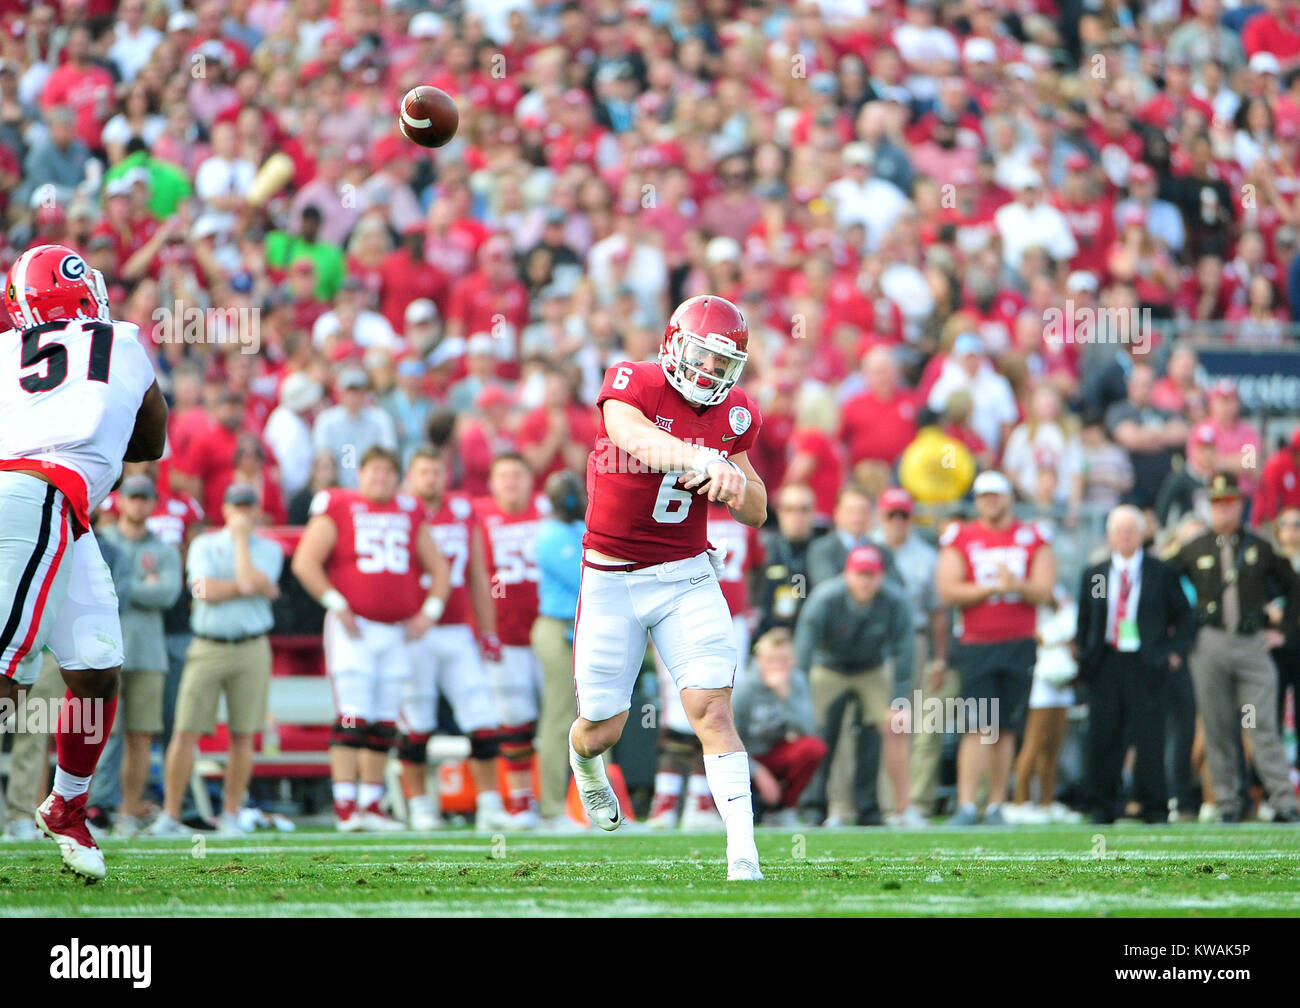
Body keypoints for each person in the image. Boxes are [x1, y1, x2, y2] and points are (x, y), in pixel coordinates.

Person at [568, 294, 768, 881]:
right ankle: (584, 766)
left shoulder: (735, 414)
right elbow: (634, 437)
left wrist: (738, 485)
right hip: (611, 576)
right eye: (700, 357)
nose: (708, 374)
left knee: (711, 709)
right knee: (602, 727)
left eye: (721, 364)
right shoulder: (633, 382)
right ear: (673, 345)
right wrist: (703, 461)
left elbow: (757, 509)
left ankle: (743, 855)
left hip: (685, 572)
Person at [0, 244, 167, 882]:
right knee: (8, 682)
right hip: (37, 496)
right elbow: (149, 441)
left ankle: (66, 804)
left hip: (59, 509)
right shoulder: (121, 340)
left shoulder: (8, 352)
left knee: (96, 666)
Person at [291, 447, 451, 832]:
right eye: (373, 470)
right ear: (360, 474)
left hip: (396, 631)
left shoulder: (410, 511)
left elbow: (440, 569)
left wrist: (428, 613)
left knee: (382, 720)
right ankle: (346, 804)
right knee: (353, 716)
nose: (380, 478)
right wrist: (336, 603)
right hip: (354, 628)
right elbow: (305, 561)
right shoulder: (341, 505)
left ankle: (371, 804)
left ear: (396, 478)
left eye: (387, 471)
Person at [149, 484, 283, 837]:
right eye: (236, 505)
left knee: (243, 734)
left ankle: (231, 812)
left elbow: (246, 581)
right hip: (208, 644)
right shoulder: (204, 544)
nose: (242, 513)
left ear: (257, 510)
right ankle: (171, 814)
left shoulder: (268, 548)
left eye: (248, 505)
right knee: (185, 729)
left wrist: (241, 546)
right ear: (224, 509)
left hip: (251, 645)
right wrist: (249, 585)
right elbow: (201, 590)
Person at [1170, 472, 1300, 823]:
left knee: (1261, 724)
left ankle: (1283, 801)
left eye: (1228, 503)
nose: (1222, 510)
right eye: (1216, 504)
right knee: (1217, 724)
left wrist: (1284, 630)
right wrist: (1178, 632)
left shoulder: (1260, 546)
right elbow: (1163, 583)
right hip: (1209, 642)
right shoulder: (1195, 547)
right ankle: (1227, 802)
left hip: (1252, 642)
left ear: (1240, 505)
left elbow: (1294, 584)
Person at [398, 445, 512, 832]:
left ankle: (489, 804)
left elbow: (479, 575)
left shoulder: (463, 510)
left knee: (482, 718)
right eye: (423, 472)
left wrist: (489, 631)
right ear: (410, 476)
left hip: (456, 630)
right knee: (417, 722)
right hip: (414, 632)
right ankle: (418, 806)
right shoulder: (398, 512)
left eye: (437, 471)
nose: (431, 479)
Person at [936, 470, 1057, 826]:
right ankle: (967, 803)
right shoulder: (962, 537)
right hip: (977, 643)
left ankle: (997, 804)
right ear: (976, 501)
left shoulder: (1033, 536)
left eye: (996, 495)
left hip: (1019, 641)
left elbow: (1045, 589)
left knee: (1005, 727)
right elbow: (948, 589)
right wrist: (990, 589)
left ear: (1009, 498)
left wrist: (1015, 584)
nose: (991, 501)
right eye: (984, 496)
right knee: (977, 725)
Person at [1075, 506, 1195, 824]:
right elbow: (1086, 619)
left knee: (1150, 736)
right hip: (1107, 660)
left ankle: (1154, 805)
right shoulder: (1097, 574)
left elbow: (1184, 616)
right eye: (1119, 530)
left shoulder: (1161, 572)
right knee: (1105, 734)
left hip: (1147, 661)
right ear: (1110, 536)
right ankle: (1102, 804)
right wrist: (1087, 656)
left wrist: (1172, 651)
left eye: (1131, 530)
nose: (1125, 536)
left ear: (1142, 534)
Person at [795, 545, 918, 827]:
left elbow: (904, 654)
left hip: (870, 668)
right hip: (829, 667)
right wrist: (798, 696)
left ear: (881, 577)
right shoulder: (825, 598)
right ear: (847, 574)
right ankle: (814, 806)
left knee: (878, 732)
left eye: (871, 575)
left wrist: (897, 702)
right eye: (859, 574)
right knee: (820, 732)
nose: (865, 581)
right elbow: (803, 653)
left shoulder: (895, 601)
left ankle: (870, 808)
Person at [95, 474, 182, 836]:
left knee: (140, 736)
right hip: (104, 650)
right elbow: (96, 588)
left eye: (144, 497)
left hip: (147, 653)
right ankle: (97, 810)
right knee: (102, 734)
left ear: (152, 503)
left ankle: (128, 813)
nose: (138, 503)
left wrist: (121, 586)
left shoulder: (163, 548)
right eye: (132, 496)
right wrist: (139, 587)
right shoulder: (101, 542)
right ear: (122, 500)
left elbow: (169, 594)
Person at [475, 453, 545, 826]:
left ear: (530, 481)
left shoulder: (547, 511)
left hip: (548, 629)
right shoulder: (479, 517)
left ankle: (559, 800)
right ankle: (520, 801)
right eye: (503, 475)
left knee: (561, 719)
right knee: (514, 719)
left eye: (518, 474)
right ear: (491, 482)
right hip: (504, 633)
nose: (511, 482)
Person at [873, 487, 951, 819]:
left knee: (920, 724)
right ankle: (881, 803)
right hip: (876, 644)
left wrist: (939, 657)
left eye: (903, 516)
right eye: (891, 515)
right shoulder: (867, 551)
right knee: (879, 724)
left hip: (915, 641)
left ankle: (916, 802)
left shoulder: (926, 556)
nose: (897, 522)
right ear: (882, 516)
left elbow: (937, 612)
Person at [531, 469, 585, 828]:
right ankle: (551, 807)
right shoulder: (550, 536)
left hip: (585, 630)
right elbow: (586, 576)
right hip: (558, 628)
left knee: (598, 714)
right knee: (558, 718)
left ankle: (592, 805)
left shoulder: (580, 529)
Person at [732, 628, 826, 827]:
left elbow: (809, 730)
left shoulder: (796, 681)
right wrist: (757, 771)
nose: (777, 665)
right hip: (745, 758)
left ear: (793, 660)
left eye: (784, 659)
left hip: (775, 753)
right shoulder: (744, 688)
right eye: (771, 659)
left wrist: (785, 697)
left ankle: (782, 808)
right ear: (759, 659)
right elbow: (729, 740)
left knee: (813, 748)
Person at [1005, 586, 1081, 824]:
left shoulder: (1060, 595)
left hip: (1062, 674)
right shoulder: (1029, 596)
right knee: (1034, 741)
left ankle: (1047, 801)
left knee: (1053, 742)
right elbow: (1036, 634)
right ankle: (1020, 800)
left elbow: (1073, 628)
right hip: (1041, 676)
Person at [754, 483, 819, 640]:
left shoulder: (826, 549)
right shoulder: (764, 549)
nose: (797, 517)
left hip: (814, 639)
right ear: (779, 512)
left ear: (814, 512)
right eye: (790, 509)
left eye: (803, 509)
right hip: (770, 639)